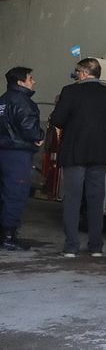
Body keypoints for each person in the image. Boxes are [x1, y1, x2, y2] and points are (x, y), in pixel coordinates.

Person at [50, 58, 106, 258]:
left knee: (73, 199)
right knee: (95, 200)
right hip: (100, 154)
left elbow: (57, 119)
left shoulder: (70, 91)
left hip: (74, 153)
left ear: (82, 73)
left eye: (76, 72)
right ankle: (96, 247)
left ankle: (71, 247)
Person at [0, 67, 44, 250]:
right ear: (20, 82)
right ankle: (8, 237)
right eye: (30, 78)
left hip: (3, 151)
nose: (33, 81)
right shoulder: (23, 101)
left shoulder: (3, 100)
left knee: (3, 193)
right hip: (17, 154)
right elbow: (29, 127)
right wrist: (39, 135)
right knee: (15, 194)